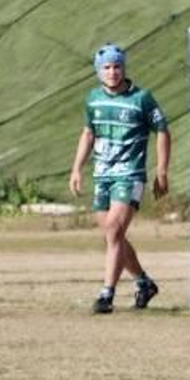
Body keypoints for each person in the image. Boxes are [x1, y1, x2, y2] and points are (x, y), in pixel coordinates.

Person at [68, 44, 170, 314]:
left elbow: (162, 130)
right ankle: (143, 282)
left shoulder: (141, 98)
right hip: (103, 175)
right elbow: (88, 133)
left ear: (124, 69)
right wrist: (77, 168)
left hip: (130, 174)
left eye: (117, 67)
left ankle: (106, 295)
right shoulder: (93, 99)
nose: (112, 72)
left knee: (113, 231)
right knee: (113, 236)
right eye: (107, 67)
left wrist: (161, 170)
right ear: (98, 71)